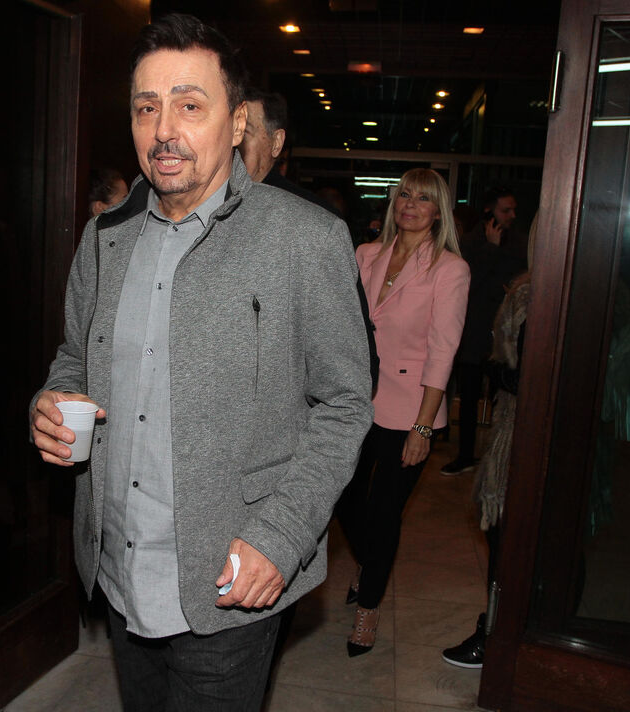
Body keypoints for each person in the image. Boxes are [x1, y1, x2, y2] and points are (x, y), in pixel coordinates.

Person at [28, 13, 373, 711]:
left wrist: (281, 534)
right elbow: (74, 357)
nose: (164, 130)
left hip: (230, 578)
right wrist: (52, 400)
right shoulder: (104, 238)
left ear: (238, 122)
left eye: (190, 105)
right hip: (119, 568)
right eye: (146, 108)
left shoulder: (305, 239)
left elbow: (344, 404)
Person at [335, 168, 469, 657]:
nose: (410, 204)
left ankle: (368, 608)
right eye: (405, 195)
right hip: (356, 400)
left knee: (385, 512)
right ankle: (371, 562)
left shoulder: (450, 269)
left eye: (423, 198)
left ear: (438, 212)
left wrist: (423, 428)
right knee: (343, 497)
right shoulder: (365, 254)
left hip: (411, 407)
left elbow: (443, 351)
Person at [441, 212, 537, 669]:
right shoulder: (535, 286)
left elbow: (527, 376)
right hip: (527, 431)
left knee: (510, 539)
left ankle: (499, 637)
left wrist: (499, 370)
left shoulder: (537, 294)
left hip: (527, 437)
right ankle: (509, 635)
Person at [441, 186, 526, 476]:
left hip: (505, 335)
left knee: (505, 398)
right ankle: (465, 455)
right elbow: (465, 286)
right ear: (489, 210)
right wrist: (490, 248)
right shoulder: (470, 242)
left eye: (513, 210)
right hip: (474, 333)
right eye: (505, 210)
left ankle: (502, 459)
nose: (511, 215)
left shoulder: (519, 242)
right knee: (469, 397)